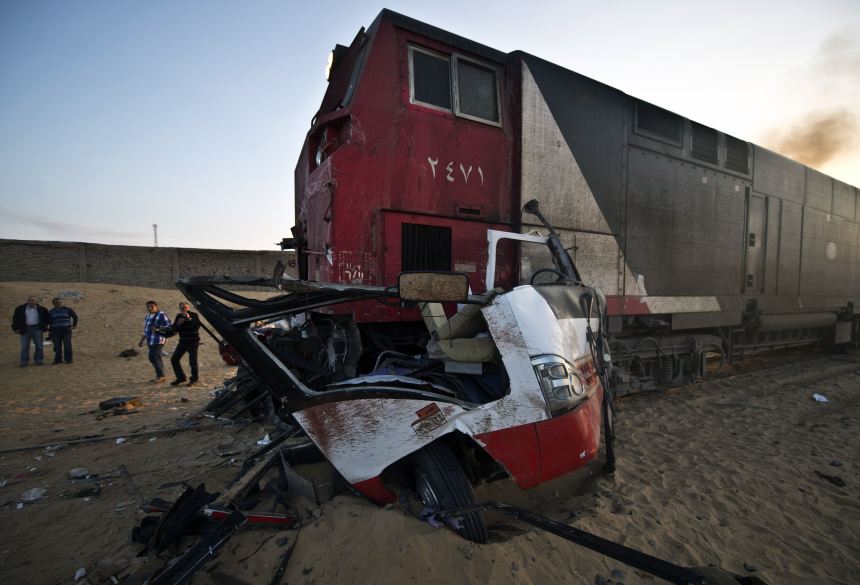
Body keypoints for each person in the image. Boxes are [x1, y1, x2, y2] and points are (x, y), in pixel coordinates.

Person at [163, 302, 202, 387]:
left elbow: (196, 327)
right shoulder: (178, 316)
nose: (184, 309)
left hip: (193, 342)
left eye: (185, 308)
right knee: (174, 359)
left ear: (188, 308)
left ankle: (194, 379)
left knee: (193, 362)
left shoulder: (194, 315)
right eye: (182, 308)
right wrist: (178, 324)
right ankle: (181, 378)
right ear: (179, 309)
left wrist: (189, 319)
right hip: (183, 342)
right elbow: (174, 329)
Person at [11, 296, 51, 366]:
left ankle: (39, 360)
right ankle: (24, 361)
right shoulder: (20, 309)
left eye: (33, 300)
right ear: (27, 301)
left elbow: (47, 318)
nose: (31, 302)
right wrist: (15, 328)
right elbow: (15, 319)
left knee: (39, 346)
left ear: (36, 301)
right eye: (29, 300)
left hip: (37, 329)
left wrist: (45, 326)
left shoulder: (42, 309)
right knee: (24, 346)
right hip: (25, 329)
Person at [138, 301, 171, 382]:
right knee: (157, 357)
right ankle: (161, 376)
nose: (149, 308)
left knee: (152, 357)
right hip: (150, 340)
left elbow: (170, 326)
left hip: (159, 339)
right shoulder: (147, 317)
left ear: (156, 306)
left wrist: (158, 329)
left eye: (151, 306)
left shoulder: (161, 315)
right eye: (148, 307)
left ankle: (161, 376)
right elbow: (146, 331)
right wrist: (141, 341)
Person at [48, 297, 79, 364]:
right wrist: (50, 332)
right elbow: (49, 322)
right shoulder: (51, 312)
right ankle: (58, 360)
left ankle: (68, 359)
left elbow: (75, 316)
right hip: (55, 331)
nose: (58, 303)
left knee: (67, 345)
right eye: (56, 302)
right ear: (53, 303)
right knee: (57, 346)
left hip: (66, 330)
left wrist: (74, 326)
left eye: (60, 302)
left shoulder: (67, 309)